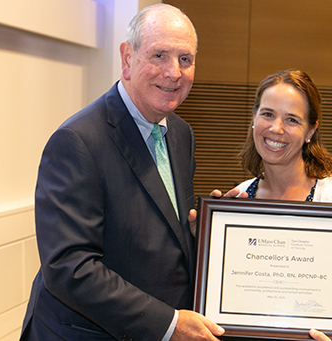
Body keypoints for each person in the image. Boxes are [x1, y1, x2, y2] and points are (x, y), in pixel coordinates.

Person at [20, 4, 224, 341]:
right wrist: (169, 323)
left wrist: (208, 227)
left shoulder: (180, 134)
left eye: (185, 59)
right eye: (159, 55)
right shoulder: (78, 141)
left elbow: (159, 228)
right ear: (127, 57)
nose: (174, 72)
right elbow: (69, 267)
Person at [218, 69, 332, 341]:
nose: (276, 128)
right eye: (267, 114)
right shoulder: (239, 197)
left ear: (310, 130)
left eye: (291, 119)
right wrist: (207, 239)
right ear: (253, 118)